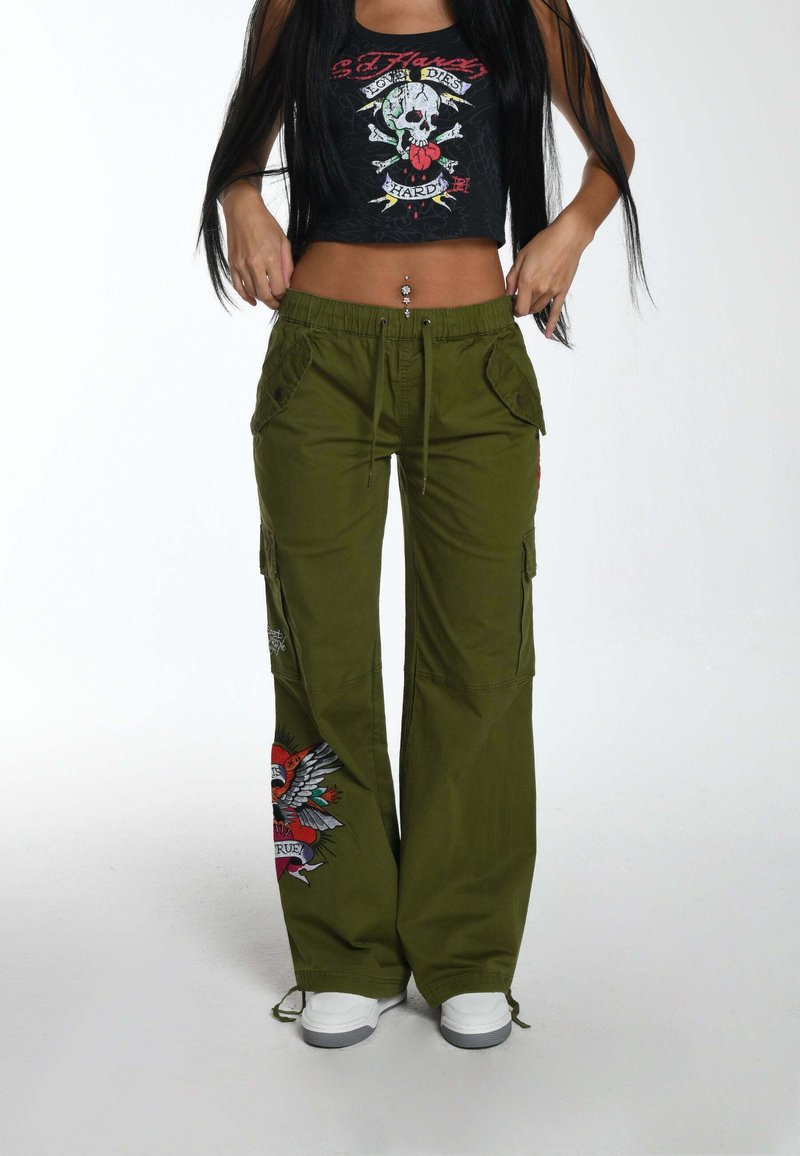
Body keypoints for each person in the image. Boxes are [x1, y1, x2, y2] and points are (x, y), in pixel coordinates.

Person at [197, 0, 648, 1049]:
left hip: (474, 362)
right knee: (320, 658)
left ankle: (465, 948)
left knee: (479, 659)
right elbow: (239, 147)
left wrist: (567, 234)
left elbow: (612, 149)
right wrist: (241, 200)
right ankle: (342, 949)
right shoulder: (298, 6)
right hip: (321, 363)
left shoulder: (519, 7)